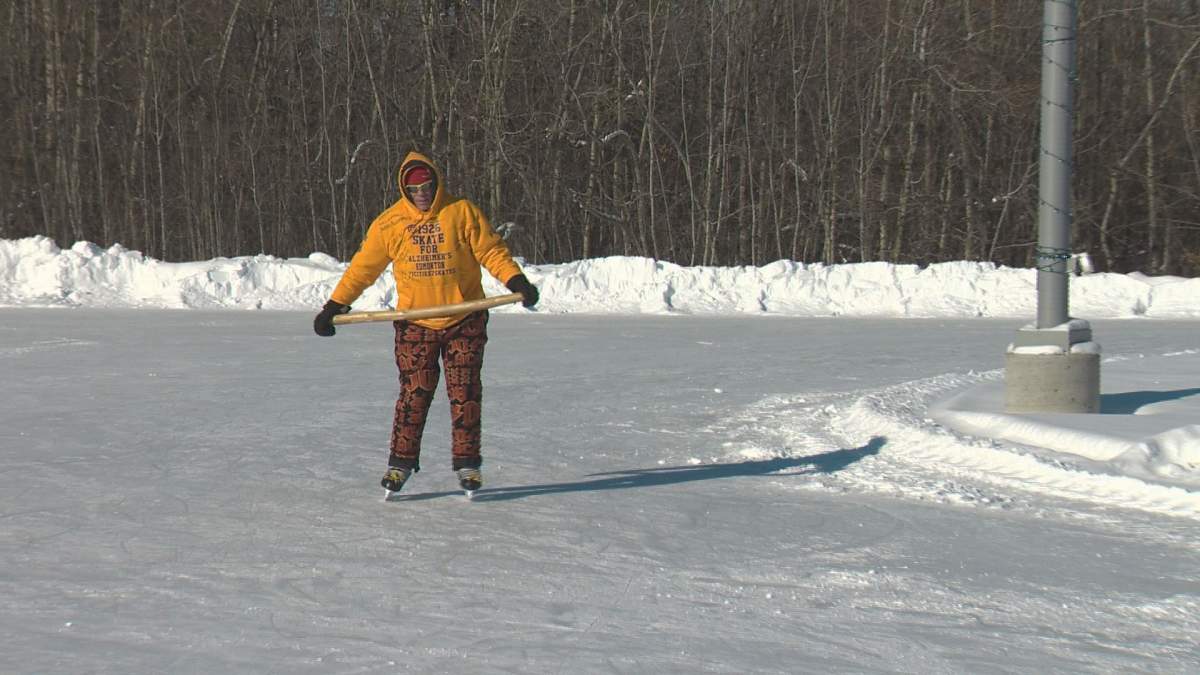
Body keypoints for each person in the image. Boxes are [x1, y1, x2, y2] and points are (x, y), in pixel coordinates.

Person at [313, 151, 539, 495]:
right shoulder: (390, 224)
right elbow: (364, 267)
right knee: (414, 394)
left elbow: (491, 251)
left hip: (464, 319)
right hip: (415, 324)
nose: (421, 192)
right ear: (404, 189)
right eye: (413, 187)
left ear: (436, 182)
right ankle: (400, 464)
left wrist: (516, 282)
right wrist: (335, 304)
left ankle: (468, 464)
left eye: (426, 185)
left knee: (465, 393)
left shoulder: (460, 212)